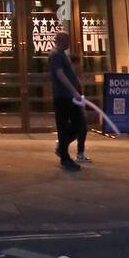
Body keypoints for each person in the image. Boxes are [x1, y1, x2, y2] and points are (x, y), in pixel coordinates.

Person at [49, 30, 83, 171]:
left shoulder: (63, 54)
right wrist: (73, 91)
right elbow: (60, 74)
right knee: (64, 126)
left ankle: (62, 147)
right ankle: (64, 156)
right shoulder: (56, 55)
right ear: (61, 40)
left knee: (78, 125)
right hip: (63, 96)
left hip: (70, 96)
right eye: (67, 40)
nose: (69, 43)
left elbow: (69, 74)